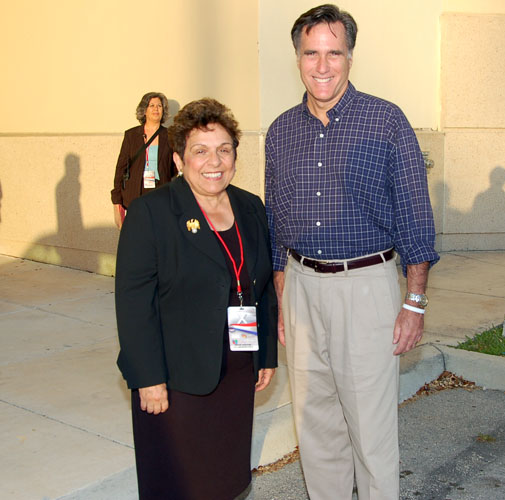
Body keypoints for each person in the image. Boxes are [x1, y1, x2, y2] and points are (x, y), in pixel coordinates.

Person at [265, 4, 439, 499]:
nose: (322, 66)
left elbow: (415, 219)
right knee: (315, 429)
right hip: (300, 288)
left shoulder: (386, 122)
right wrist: (282, 298)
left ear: (350, 56)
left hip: (367, 289)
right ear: (297, 58)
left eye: (333, 53)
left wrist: (414, 302)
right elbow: (277, 223)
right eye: (311, 53)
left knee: (371, 433)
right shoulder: (280, 131)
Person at [115, 98, 278, 500]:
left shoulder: (250, 207)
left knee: (224, 474)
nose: (214, 161)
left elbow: (262, 289)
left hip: (237, 370)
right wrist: (148, 378)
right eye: (200, 151)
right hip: (176, 377)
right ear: (178, 158)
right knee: (178, 480)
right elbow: (134, 304)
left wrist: (265, 354)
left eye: (224, 149)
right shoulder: (151, 213)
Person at [111, 91, 177, 228]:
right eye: (151, 105)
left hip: (160, 191)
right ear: (144, 110)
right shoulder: (131, 135)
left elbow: (173, 167)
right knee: (138, 234)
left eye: (159, 106)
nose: (156, 109)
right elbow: (121, 168)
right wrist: (116, 200)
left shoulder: (170, 135)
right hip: (135, 192)